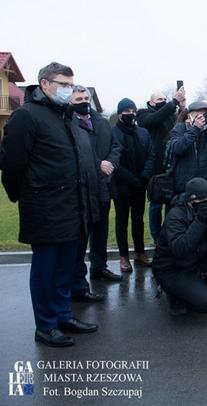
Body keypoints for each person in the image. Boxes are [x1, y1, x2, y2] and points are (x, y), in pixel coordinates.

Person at [0, 62, 98, 347]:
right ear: (44, 84)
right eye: (63, 84)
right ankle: (45, 326)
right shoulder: (26, 116)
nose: (69, 89)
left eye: (71, 83)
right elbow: (12, 163)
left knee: (65, 268)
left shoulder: (65, 116)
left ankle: (62, 315)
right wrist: (22, 194)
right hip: (44, 208)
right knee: (45, 271)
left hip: (71, 206)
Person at [152, 177, 207, 315]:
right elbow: (180, 249)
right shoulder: (175, 215)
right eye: (201, 202)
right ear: (190, 201)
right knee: (205, 303)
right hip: (172, 268)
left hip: (196, 260)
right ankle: (174, 294)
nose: (205, 205)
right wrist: (200, 220)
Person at [69, 86, 122, 303]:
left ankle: (99, 268)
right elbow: (75, 154)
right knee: (81, 237)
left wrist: (110, 163)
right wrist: (98, 164)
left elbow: (116, 146)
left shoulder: (101, 122)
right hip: (82, 189)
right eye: (78, 98)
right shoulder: (69, 122)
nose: (83, 101)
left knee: (101, 231)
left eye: (85, 98)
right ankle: (79, 284)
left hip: (103, 186)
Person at [137, 87, 186, 242]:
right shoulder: (143, 114)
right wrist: (173, 102)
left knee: (171, 203)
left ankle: (168, 235)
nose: (163, 102)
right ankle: (156, 237)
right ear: (151, 102)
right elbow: (155, 118)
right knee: (156, 205)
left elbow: (181, 122)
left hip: (171, 166)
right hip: (155, 169)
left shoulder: (170, 115)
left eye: (165, 100)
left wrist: (182, 107)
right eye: (160, 100)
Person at [111, 98, 154, 272]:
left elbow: (151, 155)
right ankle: (123, 256)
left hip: (140, 184)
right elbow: (114, 160)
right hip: (122, 184)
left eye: (133, 110)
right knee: (121, 221)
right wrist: (130, 178)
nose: (131, 114)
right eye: (127, 111)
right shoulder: (112, 132)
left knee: (138, 220)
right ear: (120, 113)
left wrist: (143, 177)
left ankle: (139, 252)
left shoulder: (143, 132)